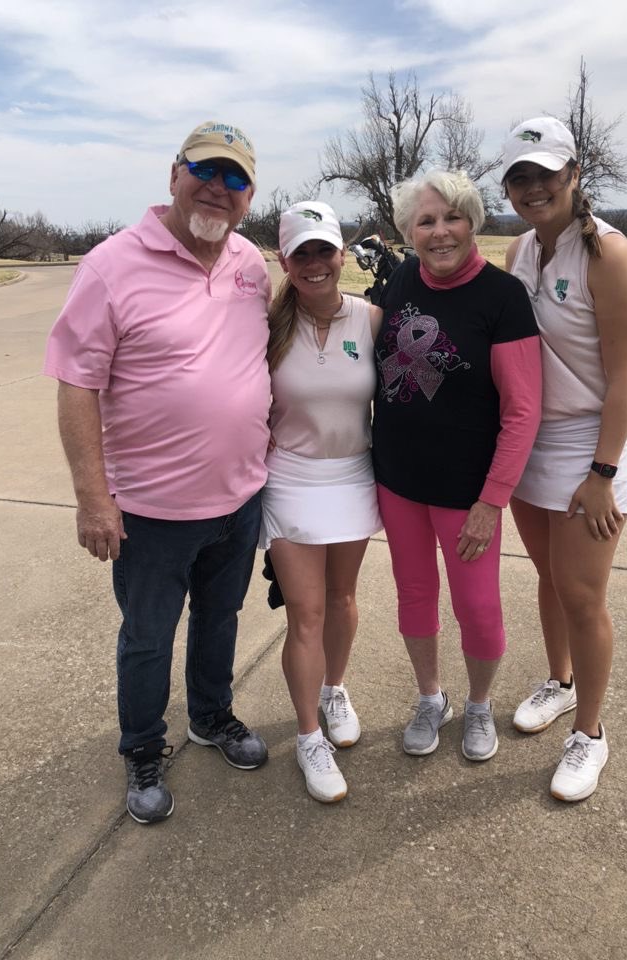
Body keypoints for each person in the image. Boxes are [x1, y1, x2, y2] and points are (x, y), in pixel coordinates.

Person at [43, 121, 272, 824]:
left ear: (249, 195)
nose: (218, 187)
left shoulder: (250, 264)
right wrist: (93, 499)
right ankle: (143, 747)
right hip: (150, 510)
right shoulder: (111, 265)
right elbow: (77, 384)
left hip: (239, 499)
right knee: (147, 637)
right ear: (174, 174)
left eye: (234, 178)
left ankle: (210, 715)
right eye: (205, 170)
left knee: (220, 618)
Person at [371, 170, 542, 764]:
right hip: (398, 480)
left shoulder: (503, 297)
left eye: (453, 218)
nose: (440, 231)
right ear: (408, 231)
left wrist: (493, 500)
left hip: (468, 492)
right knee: (414, 594)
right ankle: (430, 698)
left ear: (473, 223)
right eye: (426, 221)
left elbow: (523, 410)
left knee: (478, 607)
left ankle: (479, 704)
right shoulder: (399, 280)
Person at [502, 116, 627, 802]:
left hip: (593, 445)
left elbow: (626, 378)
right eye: (519, 177)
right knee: (549, 577)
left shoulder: (606, 253)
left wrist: (602, 473)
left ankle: (589, 733)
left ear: (573, 173)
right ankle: (559, 684)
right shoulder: (518, 251)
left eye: (546, 173)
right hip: (533, 444)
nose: (533, 187)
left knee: (583, 597)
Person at [261, 201, 382, 803]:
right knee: (305, 612)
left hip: (354, 476)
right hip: (291, 478)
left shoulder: (372, 318)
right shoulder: (267, 325)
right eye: (301, 253)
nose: (315, 263)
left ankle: (334, 689)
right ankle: (309, 735)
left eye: (324, 251)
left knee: (342, 598)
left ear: (341, 254)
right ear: (285, 260)